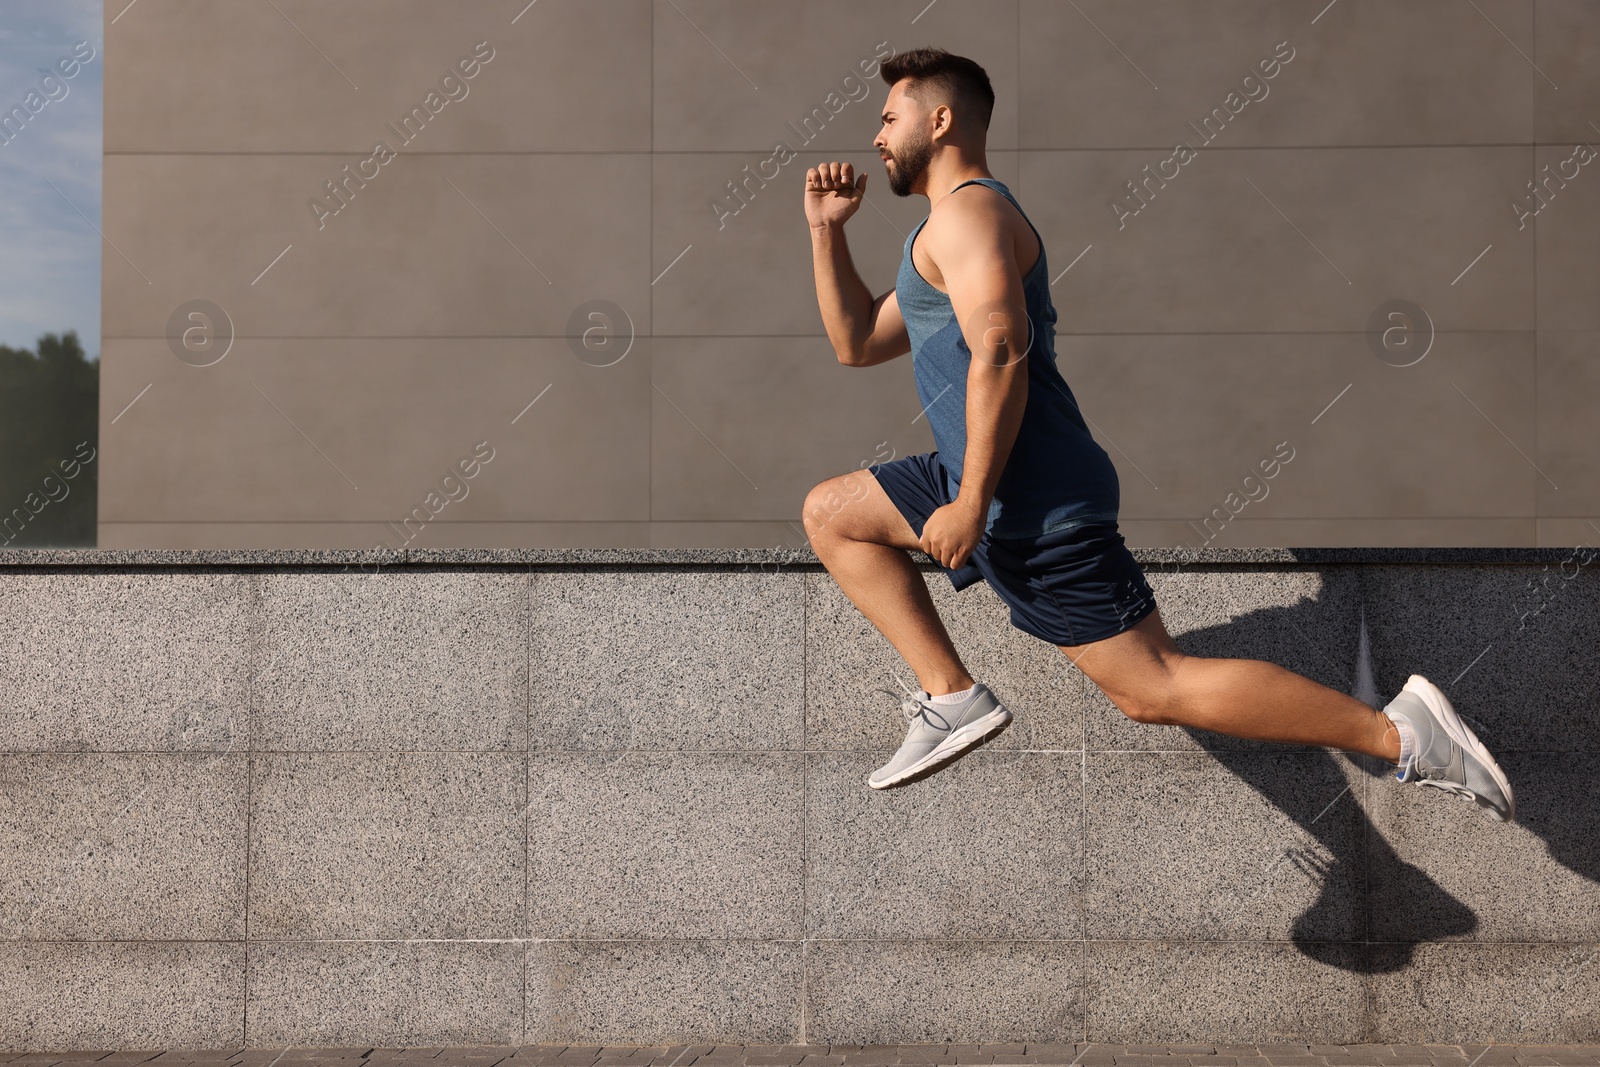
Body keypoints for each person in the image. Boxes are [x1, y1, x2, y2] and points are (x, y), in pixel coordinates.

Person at [801, 47, 1515, 820]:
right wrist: (825, 232)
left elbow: (1001, 346)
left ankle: (1400, 735)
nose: (876, 135)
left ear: (940, 120)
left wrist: (972, 499)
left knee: (1153, 685)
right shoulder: (941, 234)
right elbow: (857, 343)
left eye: (889, 116)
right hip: (981, 473)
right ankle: (952, 694)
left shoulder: (971, 213)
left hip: (1030, 489)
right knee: (834, 512)